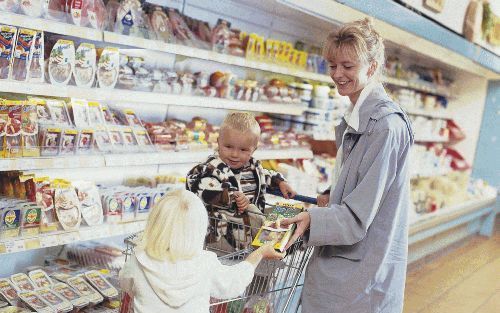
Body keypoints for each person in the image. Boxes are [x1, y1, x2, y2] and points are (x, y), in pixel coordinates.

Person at [282, 18, 414, 313]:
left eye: (348, 66)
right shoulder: (358, 118)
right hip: (349, 267)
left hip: (361, 274)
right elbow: (364, 184)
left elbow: (357, 217)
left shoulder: (384, 127)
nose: (338, 74)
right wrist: (333, 192)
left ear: (371, 66)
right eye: (332, 65)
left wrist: (313, 220)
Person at [119, 189, 284, 313]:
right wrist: (258, 253)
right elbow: (233, 282)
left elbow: (125, 283)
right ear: (199, 230)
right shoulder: (205, 263)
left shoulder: (139, 258)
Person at [186, 112, 296, 249]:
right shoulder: (209, 168)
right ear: (218, 142)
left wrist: (279, 182)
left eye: (243, 150)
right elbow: (199, 188)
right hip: (219, 240)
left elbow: (265, 175)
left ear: (254, 149)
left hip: (247, 239)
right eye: (228, 147)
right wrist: (231, 196)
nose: (235, 154)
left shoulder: (253, 168)